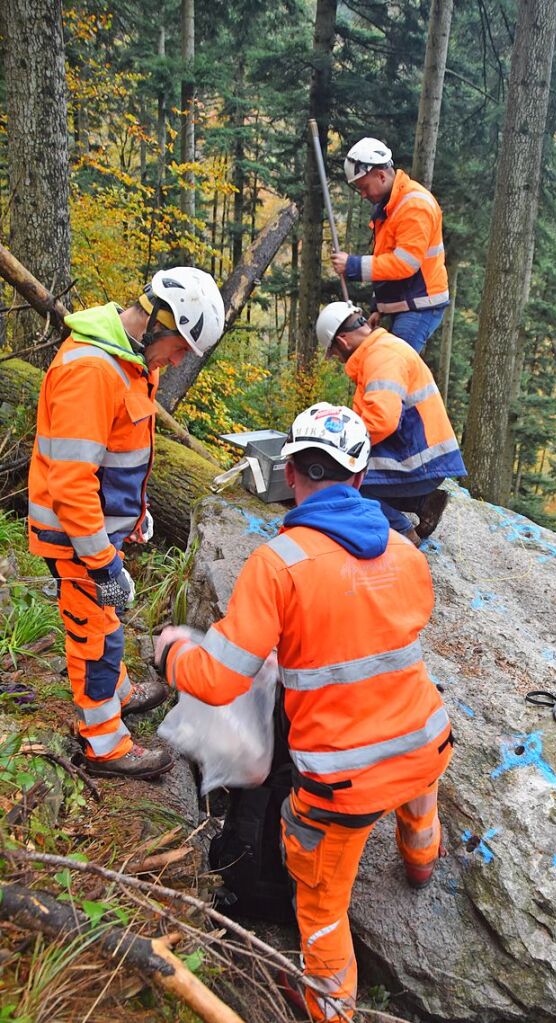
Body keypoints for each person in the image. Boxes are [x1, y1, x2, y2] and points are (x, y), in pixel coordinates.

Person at [154, 403, 453, 1023]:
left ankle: (331, 1004)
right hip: (426, 744)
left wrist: (173, 654)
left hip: (343, 783)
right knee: (417, 799)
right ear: (362, 478)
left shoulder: (278, 564)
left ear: (290, 472)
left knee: (320, 906)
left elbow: (217, 679)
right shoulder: (406, 552)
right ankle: (422, 861)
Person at [27, 267, 225, 780]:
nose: (180, 359)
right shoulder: (92, 370)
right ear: (159, 321)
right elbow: (71, 484)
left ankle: (116, 692)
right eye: (181, 346)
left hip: (99, 530)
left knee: (107, 621)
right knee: (94, 637)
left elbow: (117, 455)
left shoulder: (134, 363)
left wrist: (135, 513)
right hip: (74, 536)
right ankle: (104, 742)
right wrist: (102, 561)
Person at [316, 301, 467, 545]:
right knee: (355, 475)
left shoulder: (382, 357)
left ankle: (403, 532)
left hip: (420, 460)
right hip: (421, 457)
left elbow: (381, 421)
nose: (338, 359)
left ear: (342, 341)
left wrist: (339, 451)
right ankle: (424, 502)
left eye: (334, 353)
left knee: (341, 478)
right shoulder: (380, 351)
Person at [329, 137, 449, 354]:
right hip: (405, 303)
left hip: (420, 306)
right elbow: (385, 257)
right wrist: (379, 305)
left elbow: (404, 264)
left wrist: (352, 266)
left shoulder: (414, 205)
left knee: (394, 365)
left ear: (381, 175)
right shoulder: (390, 207)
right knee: (392, 365)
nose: (363, 194)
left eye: (364, 187)